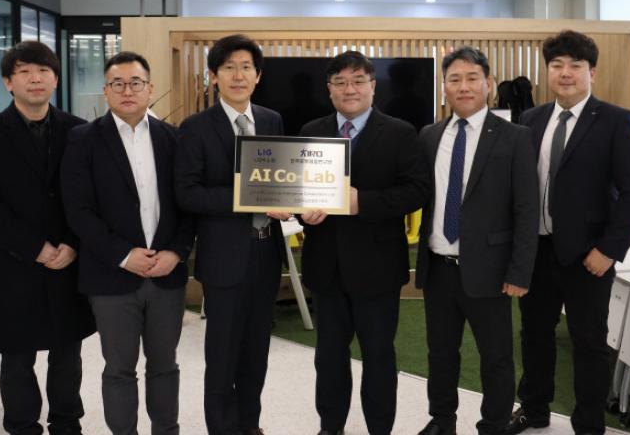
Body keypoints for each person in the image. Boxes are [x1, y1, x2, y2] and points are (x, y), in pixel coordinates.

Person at [507, 30, 630, 435]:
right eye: (557, 65)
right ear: (548, 71)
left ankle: (588, 424)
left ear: (592, 72)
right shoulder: (531, 120)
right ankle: (533, 409)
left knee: (589, 343)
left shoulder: (615, 121)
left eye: (575, 65)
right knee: (535, 335)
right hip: (537, 251)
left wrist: (609, 250)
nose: (565, 73)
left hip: (589, 256)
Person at [287, 50, 428, 435]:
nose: (350, 89)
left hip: (378, 270)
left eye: (358, 81)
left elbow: (416, 191)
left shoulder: (400, 132)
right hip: (326, 267)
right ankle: (330, 426)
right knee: (329, 358)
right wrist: (302, 210)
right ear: (329, 89)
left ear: (373, 86)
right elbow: (297, 189)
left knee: (379, 357)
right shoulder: (311, 131)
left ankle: (380, 429)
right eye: (340, 82)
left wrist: (360, 202)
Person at [0, 40, 95, 435]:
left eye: (43, 71)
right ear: (8, 82)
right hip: (13, 263)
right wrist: (35, 248)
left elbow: (90, 195)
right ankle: (22, 426)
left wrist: (72, 243)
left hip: (68, 260)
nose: (35, 78)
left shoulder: (79, 130)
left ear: (56, 79)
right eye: (24, 72)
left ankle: (67, 423)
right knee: (17, 358)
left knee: (67, 354)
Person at [61, 51, 193, 435]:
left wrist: (176, 252)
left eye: (136, 82)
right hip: (111, 276)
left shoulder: (174, 138)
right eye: (117, 84)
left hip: (167, 274)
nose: (127, 90)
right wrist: (122, 255)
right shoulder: (83, 140)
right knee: (119, 368)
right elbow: (79, 211)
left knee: (164, 365)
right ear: (106, 91)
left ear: (150, 88)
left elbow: (188, 204)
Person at [414, 46, 539, 435]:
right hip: (438, 268)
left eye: (472, 78)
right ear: (444, 87)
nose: (463, 86)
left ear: (488, 83)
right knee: (440, 353)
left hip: (492, 270)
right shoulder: (429, 135)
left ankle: (494, 425)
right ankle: (442, 421)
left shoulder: (515, 137)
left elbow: (527, 210)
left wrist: (519, 272)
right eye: (454, 79)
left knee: (496, 357)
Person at [174, 34, 286, 435]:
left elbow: (283, 179)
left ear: (258, 76)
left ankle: (250, 426)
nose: (238, 76)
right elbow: (187, 193)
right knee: (222, 355)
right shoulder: (195, 128)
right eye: (229, 68)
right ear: (213, 76)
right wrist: (247, 195)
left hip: (266, 254)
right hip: (224, 258)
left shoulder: (272, 121)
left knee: (256, 353)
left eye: (246, 68)